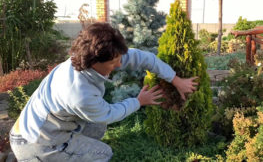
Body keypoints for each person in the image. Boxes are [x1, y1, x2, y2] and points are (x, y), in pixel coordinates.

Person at [9, 22, 198, 162]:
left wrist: (175, 79)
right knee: (103, 153)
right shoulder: (79, 93)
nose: (120, 64)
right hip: (35, 144)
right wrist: (139, 102)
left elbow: (143, 58)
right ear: (94, 62)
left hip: (32, 128)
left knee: (96, 127)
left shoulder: (90, 56)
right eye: (113, 63)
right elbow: (108, 114)